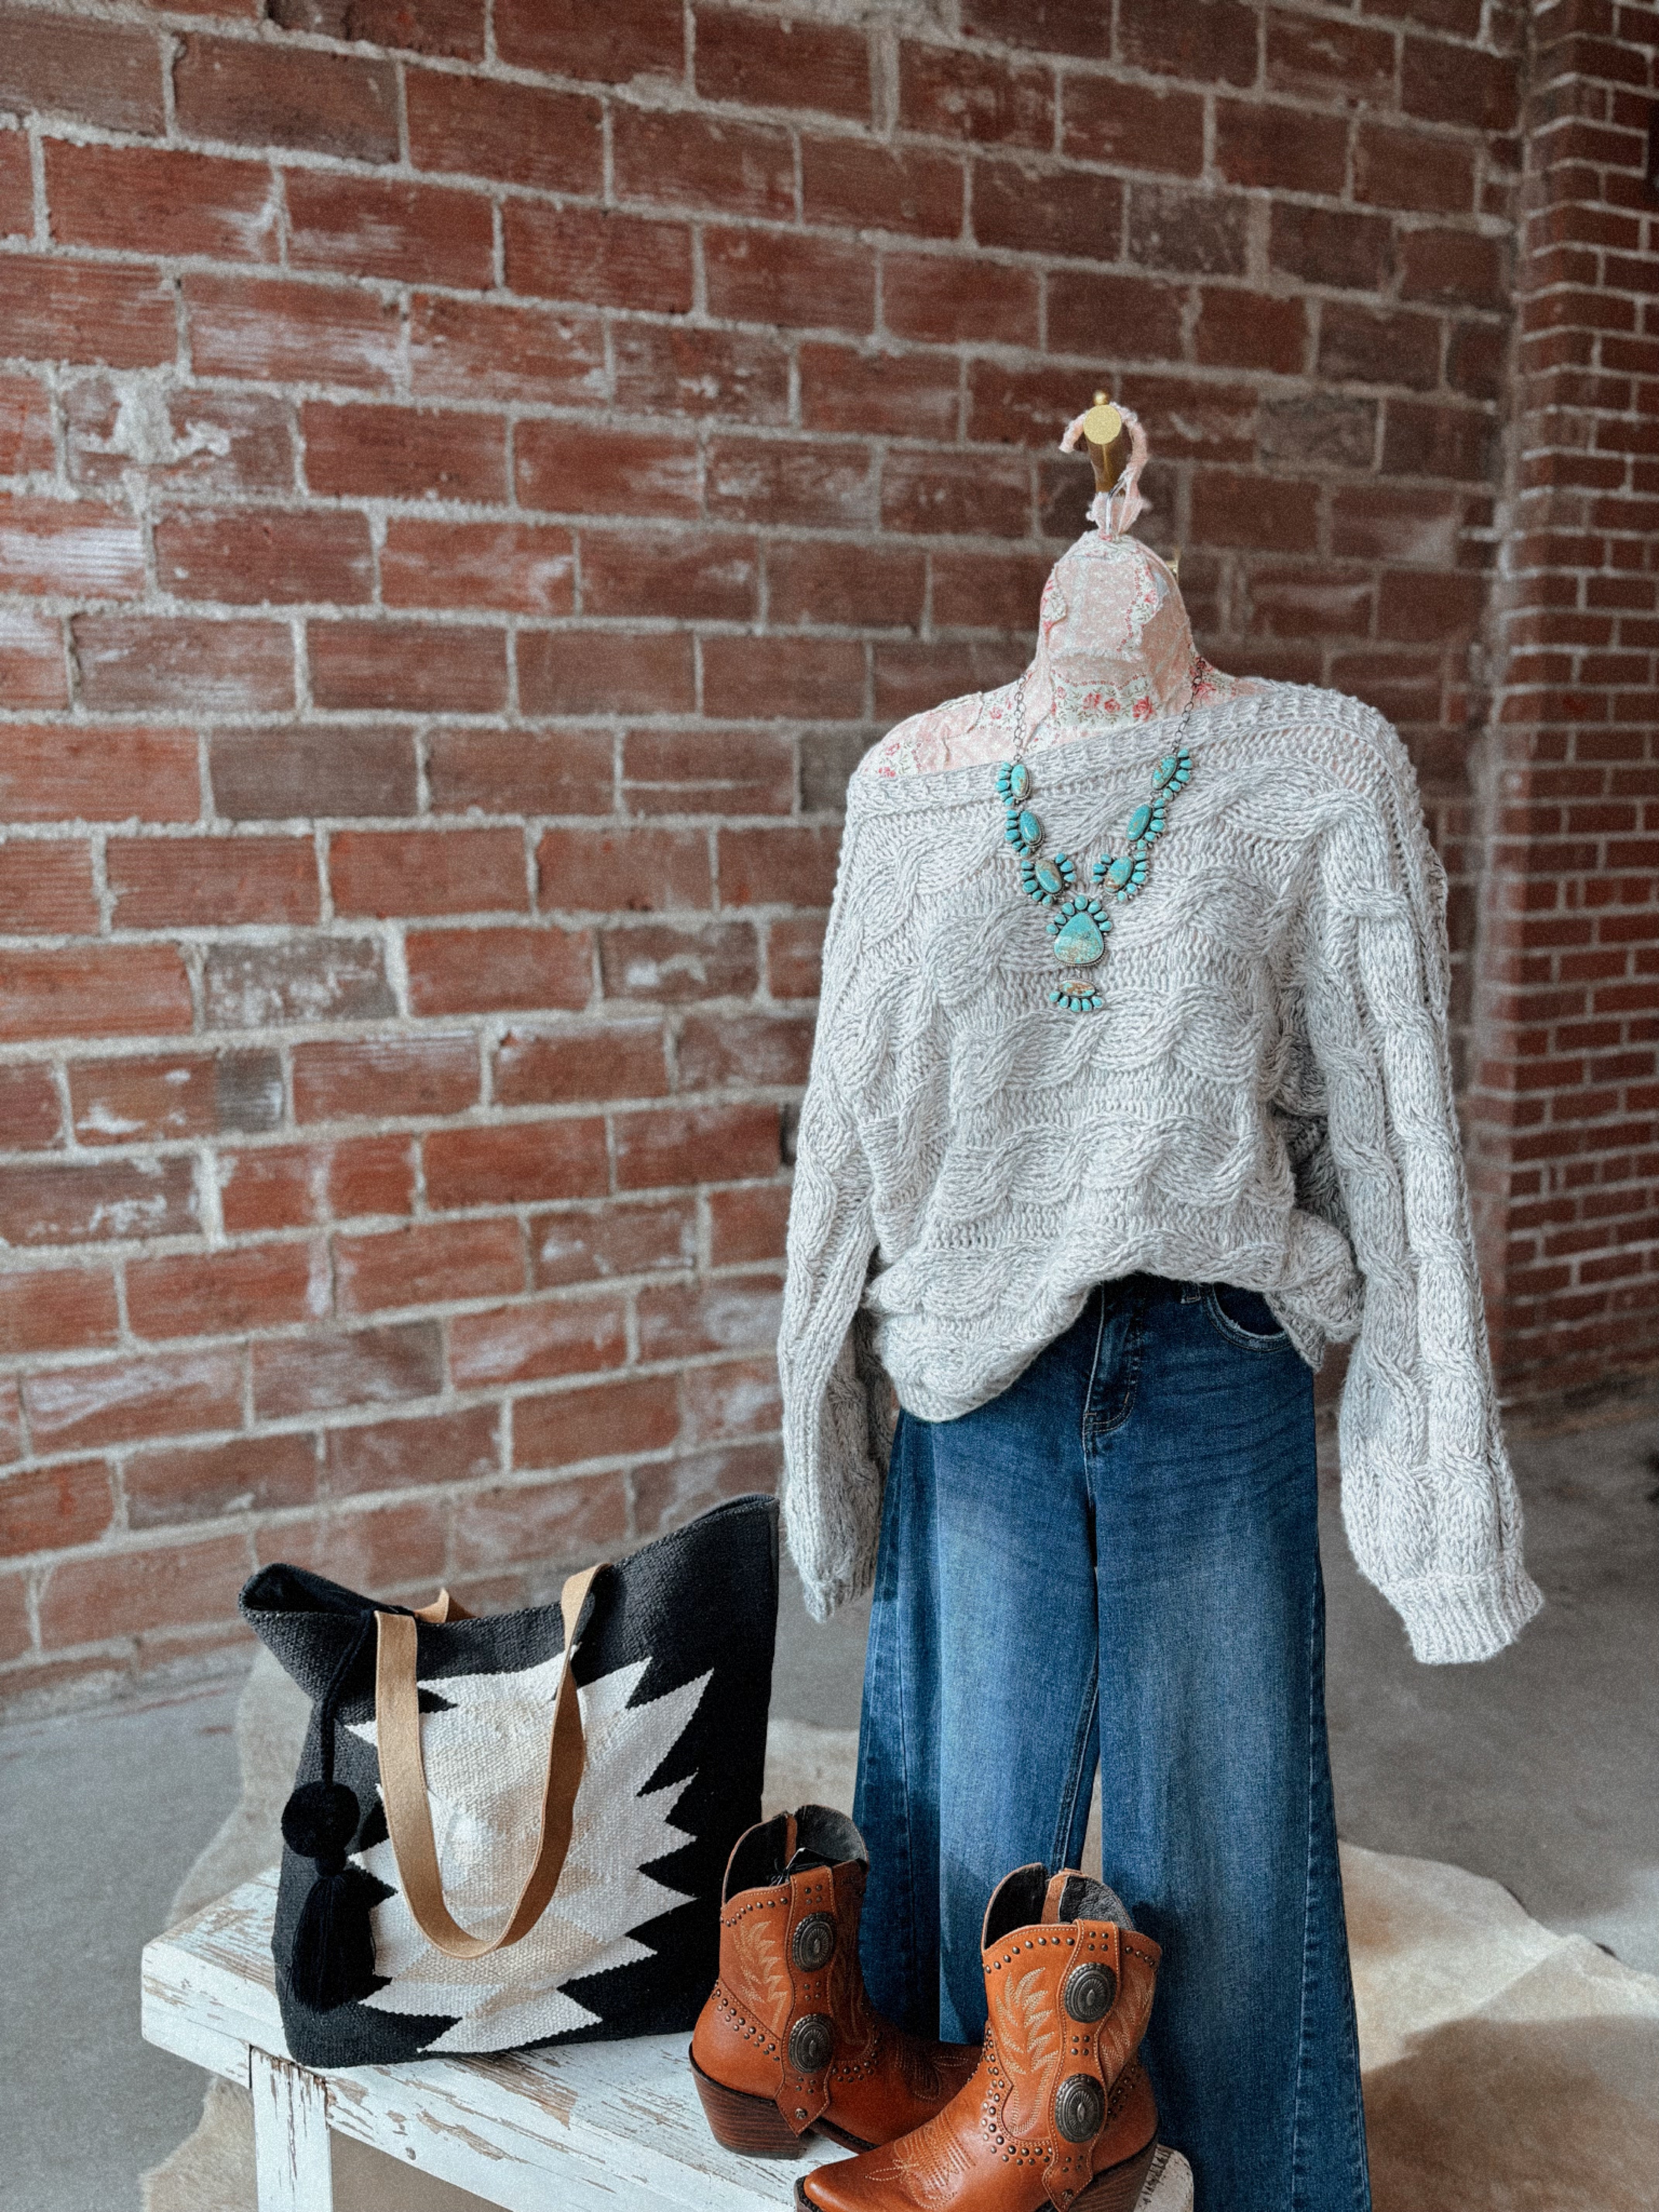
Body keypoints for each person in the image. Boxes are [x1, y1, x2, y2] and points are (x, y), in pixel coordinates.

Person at [776, 401, 1542, 2212]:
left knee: (1230, 1855)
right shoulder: (917, 786)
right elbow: (843, 1148)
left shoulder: (1321, 771)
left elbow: (1398, 1129)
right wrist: (830, 1452)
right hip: (977, 1373)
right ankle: (984, 2154)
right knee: (970, 1849)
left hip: (1217, 1355)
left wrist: (1431, 1486)